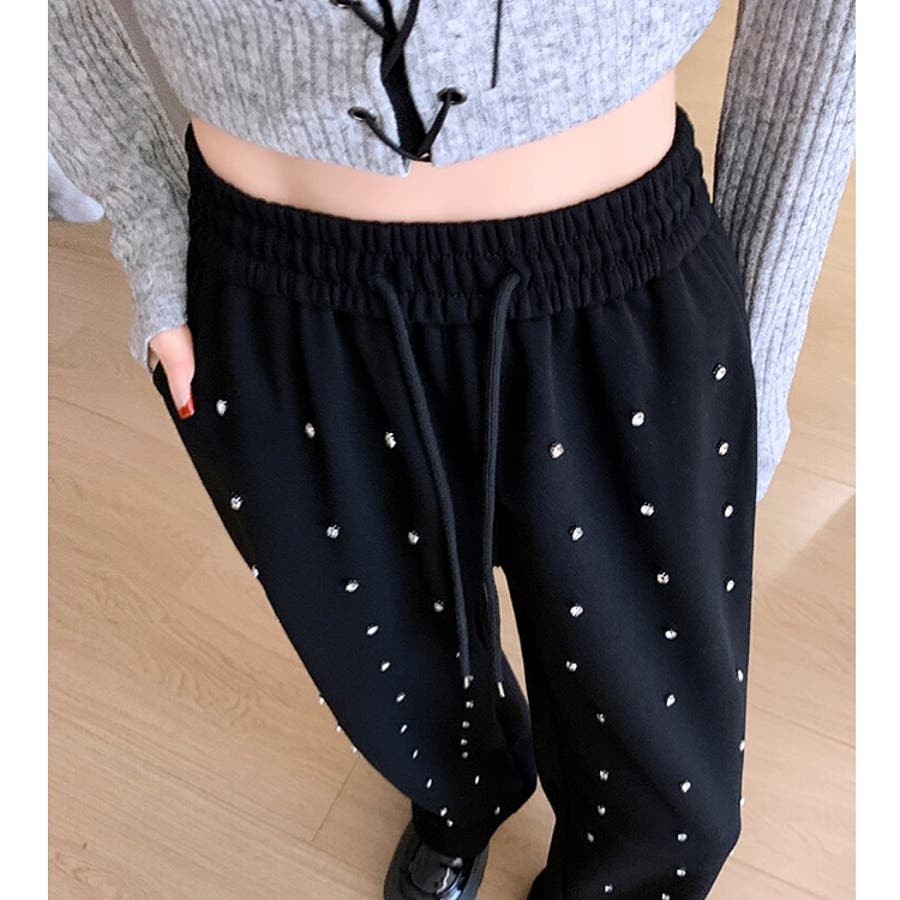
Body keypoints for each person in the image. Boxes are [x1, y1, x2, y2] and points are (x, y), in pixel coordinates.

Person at [48, 2, 855, 898]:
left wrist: (758, 326)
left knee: (667, 775)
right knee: (394, 677)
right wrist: (148, 220)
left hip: (619, 282)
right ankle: (461, 800)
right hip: (281, 292)